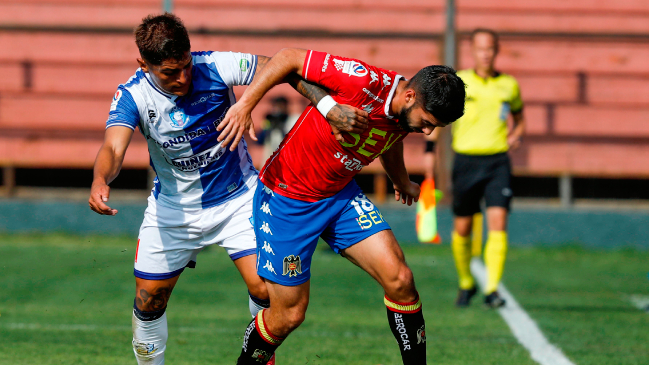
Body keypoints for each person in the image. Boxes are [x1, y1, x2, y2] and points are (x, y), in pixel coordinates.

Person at [87, 14, 367, 365]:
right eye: (169, 73)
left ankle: (257, 360)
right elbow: (113, 148)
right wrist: (101, 180)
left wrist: (325, 107)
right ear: (143, 64)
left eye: (186, 65)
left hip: (240, 200)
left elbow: (285, 67)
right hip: (174, 210)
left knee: (266, 290)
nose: (183, 78)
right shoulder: (132, 95)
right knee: (149, 302)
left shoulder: (217, 65)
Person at [217, 48, 466, 364]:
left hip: (340, 196)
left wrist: (401, 180)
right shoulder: (361, 81)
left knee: (400, 280)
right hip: (287, 199)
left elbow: (392, 136)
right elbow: (288, 58)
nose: (428, 131)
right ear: (410, 96)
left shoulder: (404, 114)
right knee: (288, 314)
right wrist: (245, 106)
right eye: (428, 122)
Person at [449, 28, 525, 308]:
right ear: (472, 50)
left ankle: (492, 288)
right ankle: (466, 282)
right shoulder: (460, 81)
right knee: (463, 227)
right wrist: (430, 151)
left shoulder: (509, 85)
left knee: (498, 223)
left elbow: (520, 116)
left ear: (497, 50)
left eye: (490, 48)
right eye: (480, 48)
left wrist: (517, 133)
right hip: (465, 161)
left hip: (497, 162)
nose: (485, 53)